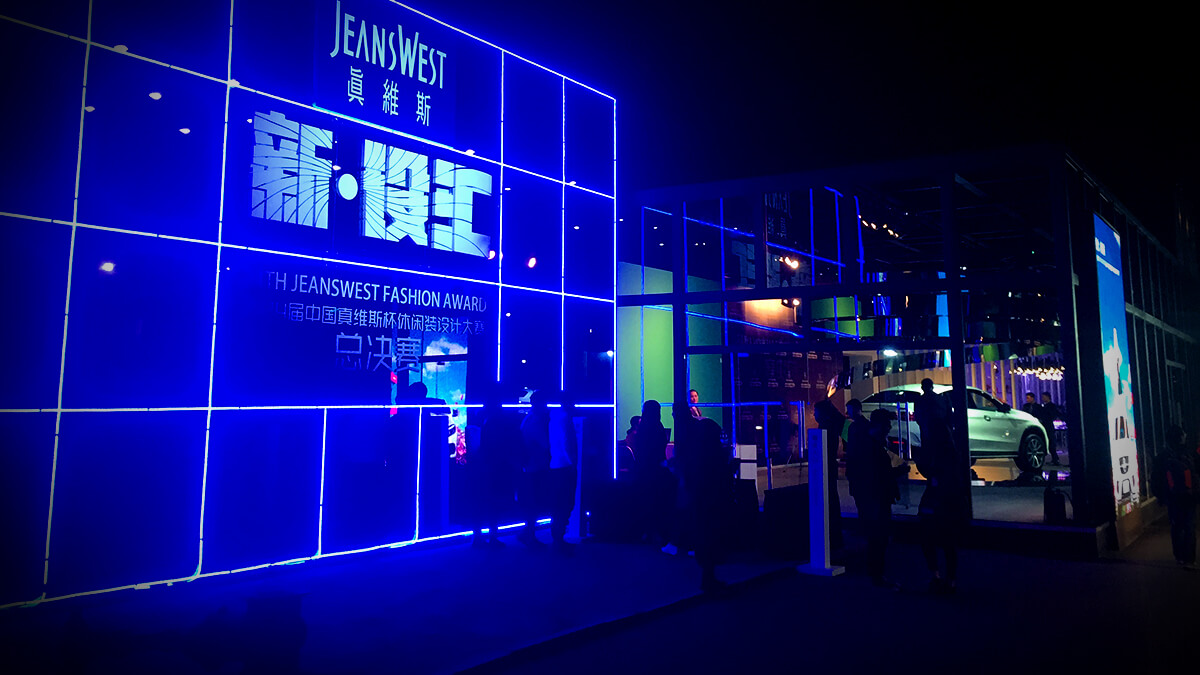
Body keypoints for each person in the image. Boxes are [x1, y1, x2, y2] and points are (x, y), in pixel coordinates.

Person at [913, 378, 968, 594]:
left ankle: (936, 575)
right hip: (949, 499)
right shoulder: (952, 451)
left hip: (936, 497)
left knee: (930, 538)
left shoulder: (932, 450)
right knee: (948, 541)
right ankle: (951, 579)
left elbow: (928, 470)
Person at [675, 411, 734, 591]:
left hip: (699, 502)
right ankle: (709, 577)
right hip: (712, 503)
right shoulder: (714, 456)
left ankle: (707, 576)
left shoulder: (695, 456)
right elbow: (720, 478)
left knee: (704, 536)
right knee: (711, 536)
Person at [846, 408, 900, 588]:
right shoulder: (872, 446)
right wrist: (897, 472)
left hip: (873, 497)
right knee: (878, 536)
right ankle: (877, 574)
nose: (889, 427)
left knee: (876, 536)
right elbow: (878, 474)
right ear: (879, 425)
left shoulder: (866, 442)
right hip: (876, 498)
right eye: (887, 424)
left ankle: (875, 572)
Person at [471, 386, 521, 548]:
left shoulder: (481, 417)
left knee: (482, 501)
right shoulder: (498, 420)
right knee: (493, 502)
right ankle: (491, 537)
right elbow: (502, 443)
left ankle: (479, 537)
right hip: (495, 466)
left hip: (482, 465)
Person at [1152, 425, 1197, 568]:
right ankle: (1190, 559)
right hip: (1189, 496)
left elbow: (1156, 479)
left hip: (1172, 496)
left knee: (1176, 525)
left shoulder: (1162, 457)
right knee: (1189, 525)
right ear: (1180, 437)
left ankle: (1179, 556)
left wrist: (1160, 496)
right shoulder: (1188, 454)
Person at [633, 400, 672, 545]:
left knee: (646, 501)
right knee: (656, 502)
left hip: (643, 470)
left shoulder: (643, 427)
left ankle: (646, 532)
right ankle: (655, 532)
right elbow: (659, 448)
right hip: (655, 470)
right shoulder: (656, 426)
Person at [814, 398, 848, 554]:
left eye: (815, 412)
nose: (814, 415)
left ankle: (832, 536)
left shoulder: (826, 427)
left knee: (829, 499)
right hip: (826, 467)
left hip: (826, 468)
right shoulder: (829, 425)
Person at [517, 390, 551, 547]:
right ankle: (529, 535)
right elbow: (545, 445)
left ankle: (527, 534)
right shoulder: (535, 421)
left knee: (532, 502)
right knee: (534, 503)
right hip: (535, 467)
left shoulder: (528, 419)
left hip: (530, 466)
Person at [547, 391, 580, 553]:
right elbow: (567, 443)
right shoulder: (565, 418)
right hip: (565, 466)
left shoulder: (554, 418)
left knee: (558, 503)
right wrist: (573, 462)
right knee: (566, 502)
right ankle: (559, 539)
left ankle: (557, 538)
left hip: (555, 465)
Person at [1036, 393, 1061, 465]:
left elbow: (1052, 415)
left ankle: (1055, 459)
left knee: (1051, 443)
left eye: (1044, 397)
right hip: (1047, 425)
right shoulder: (1046, 406)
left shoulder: (1050, 406)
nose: (1043, 398)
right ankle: (1054, 459)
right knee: (1050, 442)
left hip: (1048, 426)